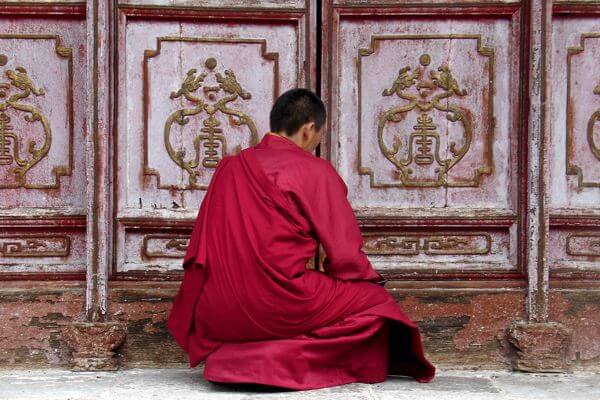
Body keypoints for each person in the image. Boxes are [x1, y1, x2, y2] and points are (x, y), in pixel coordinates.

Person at [167, 88, 435, 390]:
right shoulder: (313, 170)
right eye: (319, 134)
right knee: (376, 303)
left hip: (216, 310)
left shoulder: (228, 169)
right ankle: (272, 363)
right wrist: (366, 281)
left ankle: (233, 359)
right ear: (309, 129)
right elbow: (346, 256)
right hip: (280, 301)